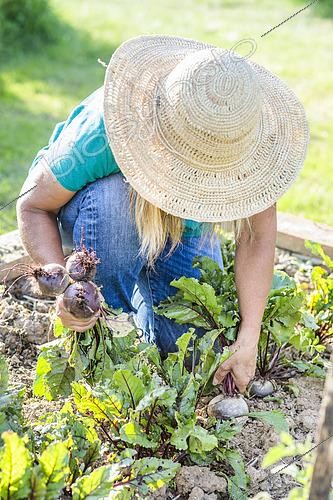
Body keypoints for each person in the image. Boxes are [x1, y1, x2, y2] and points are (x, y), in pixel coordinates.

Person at [16, 34, 309, 393]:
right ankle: (106, 332)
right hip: (106, 218)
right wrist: (64, 284)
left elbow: (257, 236)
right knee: (112, 204)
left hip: (183, 231)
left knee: (196, 359)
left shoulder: (252, 143)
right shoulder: (104, 131)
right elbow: (32, 206)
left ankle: (139, 321)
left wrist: (249, 337)